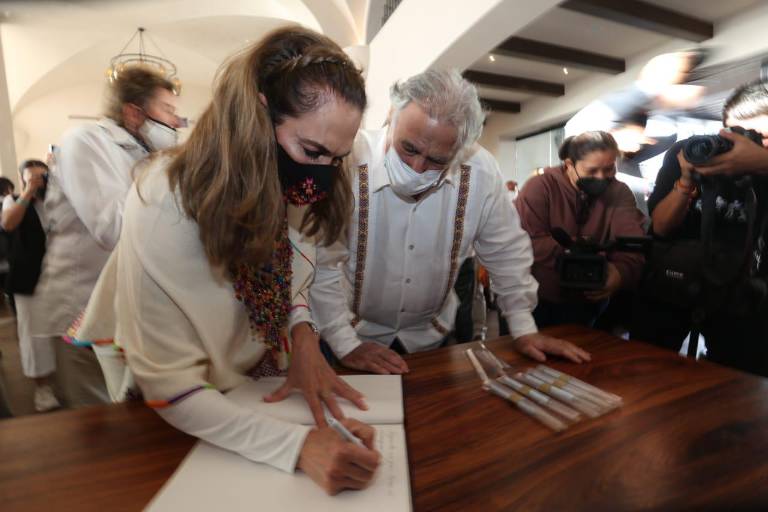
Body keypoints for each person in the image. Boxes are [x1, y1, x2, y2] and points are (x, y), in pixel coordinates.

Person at [69, 27, 380, 495]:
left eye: (335, 160)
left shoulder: (291, 171)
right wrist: (301, 448)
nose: (319, 178)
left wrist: (302, 330)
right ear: (257, 115)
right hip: (165, 393)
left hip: (241, 367)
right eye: (312, 151)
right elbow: (169, 386)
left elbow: (294, 261)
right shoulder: (163, 203)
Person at [310, 69, 591, 375]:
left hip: (433, 338)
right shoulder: (347, 160)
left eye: (437, 160)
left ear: (460, 149)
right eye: (409, 148)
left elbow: (506, 251)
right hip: (348, 335)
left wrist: (523, 327)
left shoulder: (480, 169)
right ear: (391, 115)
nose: (418, 168)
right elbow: (321, 262)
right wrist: (344, 343)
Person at [39, 66, 181, 407]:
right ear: (134, 112)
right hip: (84, 303)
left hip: (129, 308)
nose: (176, 122)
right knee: (98, 421)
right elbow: (112, 228)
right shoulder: (84, 141)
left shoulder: (145, 155)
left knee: (133, 414)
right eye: (168, 110)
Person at [634, 80, 768, 376]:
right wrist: (686, 181)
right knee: (647, 370)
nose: (748, 145)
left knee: (740, 382)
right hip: (673, 283)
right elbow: (661, 228)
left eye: (762, 138)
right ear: (723, 129)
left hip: (741, 295)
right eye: (740, 134)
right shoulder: (692, 151)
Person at [513, 131, 646, 329]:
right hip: (534, 299)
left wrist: (620, 273)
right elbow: (525, 242)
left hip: (590, 302)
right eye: (592, 171)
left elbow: (632, 241)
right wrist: (581, 250)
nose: (601, 178)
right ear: (569, 165)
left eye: (609, 169)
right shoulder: (540, 187)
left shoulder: (619, 192)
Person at [1, 160, 60, 411]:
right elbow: (8, 223)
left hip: (60, 276)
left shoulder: (57, 200)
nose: (38, 181)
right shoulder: (13, 200)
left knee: (65, 333)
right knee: (34, 336)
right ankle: (42, 389)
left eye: (42, 177)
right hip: (29, 278)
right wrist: (27, 192)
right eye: (31, 177)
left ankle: (67, 380)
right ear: (23, 179)